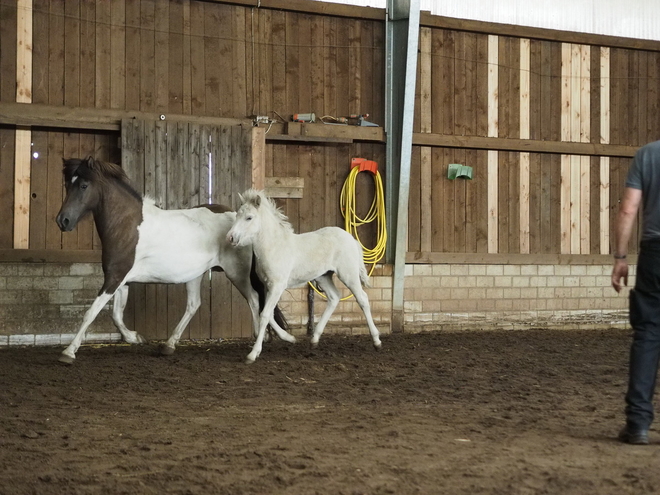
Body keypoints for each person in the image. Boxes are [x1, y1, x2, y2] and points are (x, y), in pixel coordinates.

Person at [612, 139, 660, 445]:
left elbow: (629, 209)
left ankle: (638, 424)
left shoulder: (648, 155)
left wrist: (620, 257)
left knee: (648, 334)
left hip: (655, 253)